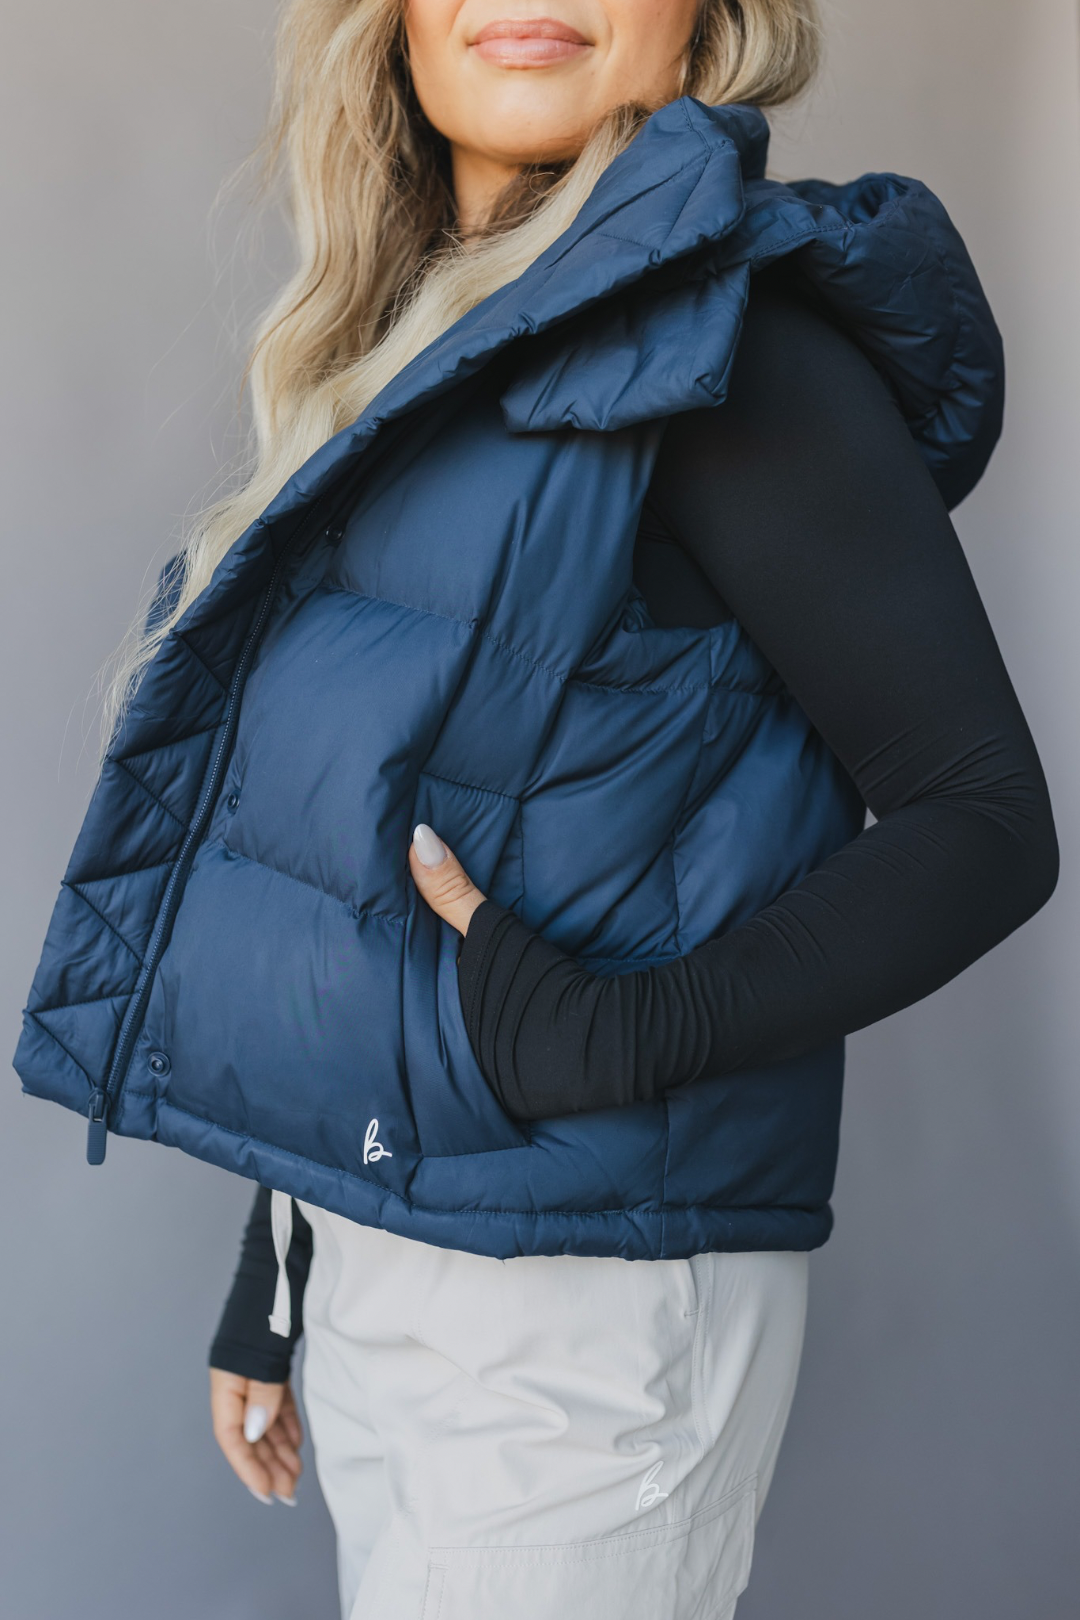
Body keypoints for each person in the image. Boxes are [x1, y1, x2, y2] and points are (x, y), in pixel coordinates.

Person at [14, 1, 1057, 1617]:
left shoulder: (728, 352)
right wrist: (280, 1254)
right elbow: (366, 864)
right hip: (391, 1247)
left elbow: (984, 818)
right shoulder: (422, 347)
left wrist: (624, 1032)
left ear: (707, 19)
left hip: (579, 1306)